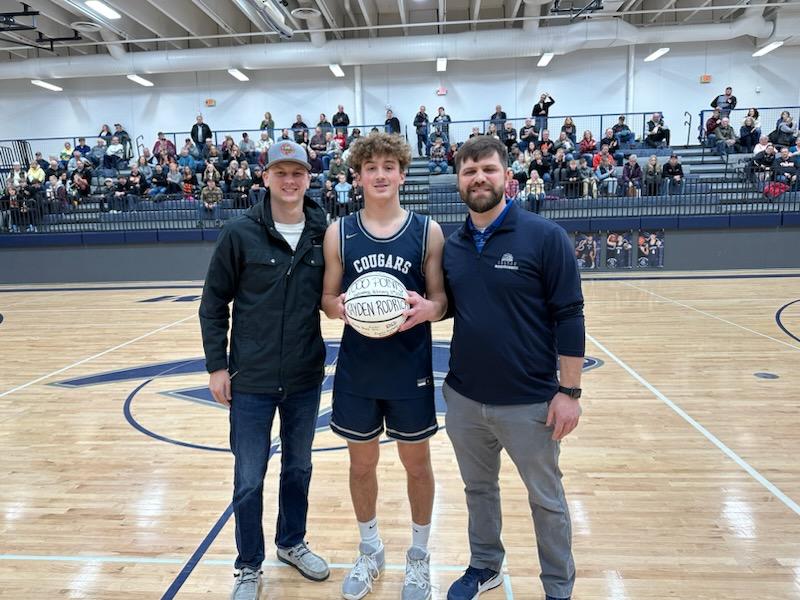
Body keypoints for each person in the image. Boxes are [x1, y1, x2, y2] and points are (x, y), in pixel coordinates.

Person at [442, 135, 584, 600]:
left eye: (487, 169)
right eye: (469, 171)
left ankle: (558, 589)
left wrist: (570, 392)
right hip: (464, 399)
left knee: (546, 501)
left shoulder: (545, 238)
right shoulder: (452, 244)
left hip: (530, 401)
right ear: (458, 181)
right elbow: (450, 306)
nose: (478, 178)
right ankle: (485, 566)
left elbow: (570, 315)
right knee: (477, 490)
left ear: (508, 176)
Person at [198, 139, 330, 600]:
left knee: (299, 468)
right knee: (249, 476)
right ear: (265, 177)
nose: (290, 180)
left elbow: (333, 298)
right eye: (281, 172)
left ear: (309, 177)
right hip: (249, 380)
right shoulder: (239, 232)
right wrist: (217, 366)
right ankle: (248, 565)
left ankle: (291, 542)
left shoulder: (323, 232)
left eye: (298, 172)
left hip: (304, 376)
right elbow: (214, 303)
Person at [321, 132, 447, 600]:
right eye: (369, 167)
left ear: (402, 173)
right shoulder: (340, 231)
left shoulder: (427, 231)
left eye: (388, 166)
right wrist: (342, 308)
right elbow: (327, 298)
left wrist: (427, 310)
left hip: (408, 367)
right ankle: (371, 549)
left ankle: (419, 556)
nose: (379, 174)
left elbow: (440, 299)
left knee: (417, 465)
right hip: (358, 368)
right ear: (357, 175)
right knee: (361, 465)